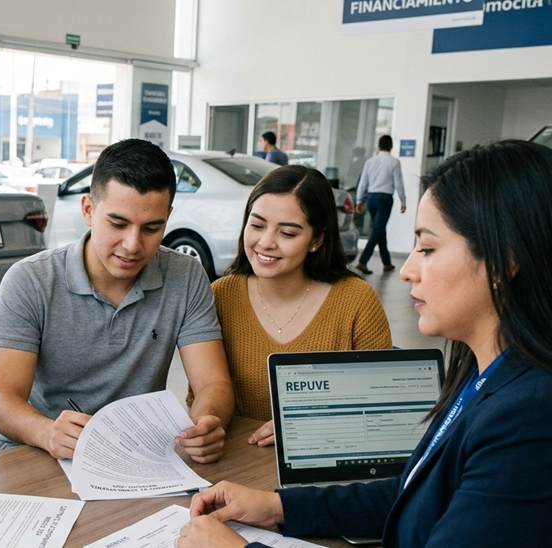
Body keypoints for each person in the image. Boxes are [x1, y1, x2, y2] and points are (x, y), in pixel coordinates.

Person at [178, 140, 552, 548]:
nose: (407, 270)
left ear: (504, 263)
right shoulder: (485, 376)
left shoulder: (529, 417)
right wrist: (279, 507)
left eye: (427, 248)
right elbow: (411, 493)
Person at [0, 138, 235, 464]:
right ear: (88, 209)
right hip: (43, 457)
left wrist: (207, 421)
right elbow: (1, 402)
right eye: (118, 224)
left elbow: (213, 383)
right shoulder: (29, 281)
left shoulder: (186, 275)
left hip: (138, 457)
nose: (133, 245)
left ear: (168, 217)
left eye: (151, 228)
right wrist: (47, 432)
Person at [186, 165, 391, 446]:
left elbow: (384, 414)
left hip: (323, 471)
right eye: (256, 225)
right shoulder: (220, 295)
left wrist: (307, 428)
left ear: (317, 240)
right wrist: (205, 427)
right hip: (237, 463)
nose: (266, 242)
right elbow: (202, 394)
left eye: (288, 233)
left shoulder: (357, 301)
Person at [354, 135, 406, 274]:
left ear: (379, 146)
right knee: (378, 229)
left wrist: (359, 201)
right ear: (391, 147)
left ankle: (387, 263)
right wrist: (403, 200)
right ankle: (362, 261)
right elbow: (398, 183)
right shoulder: (394, 162)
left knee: (379, 228)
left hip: (371, 199)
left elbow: (363, 183)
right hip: (385, 199)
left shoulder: (370, 162)